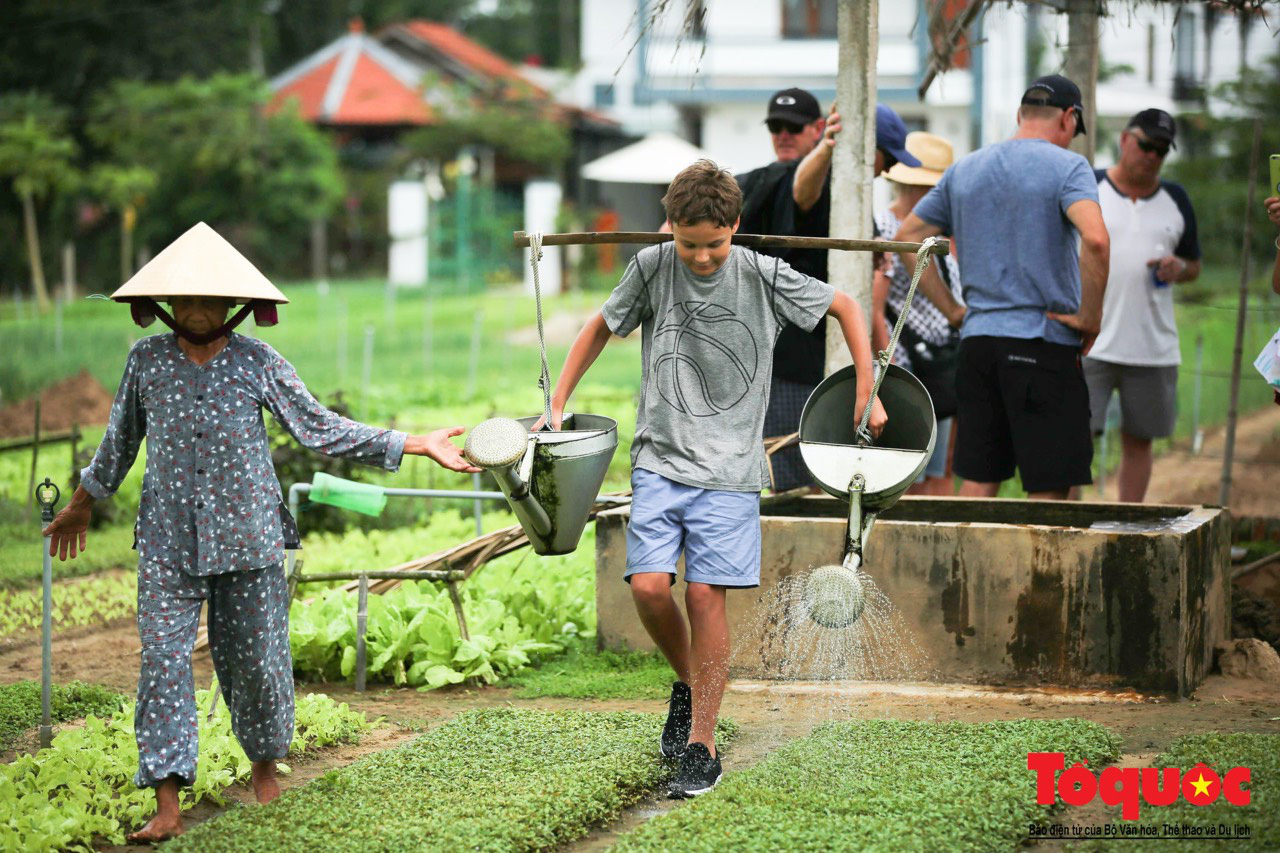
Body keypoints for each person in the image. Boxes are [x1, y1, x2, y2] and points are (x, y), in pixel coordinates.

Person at [41, 223, 480, 843]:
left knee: (255, 661)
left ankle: (265, 769)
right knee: (163, 663)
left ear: (233, 304)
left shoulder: (257, 361)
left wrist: (415, 444)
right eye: (184, 300)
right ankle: (167, 801)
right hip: (167, 539)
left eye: (208, 300)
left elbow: (318, 428)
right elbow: (120, 442)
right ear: (165, 305)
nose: (195, 312)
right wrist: (84, 501)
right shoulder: (146, 361)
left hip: (248, 536)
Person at [541, 160, 885, 798]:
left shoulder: (760, 272)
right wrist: (559, 399)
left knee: (705, 597)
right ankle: (691, 683)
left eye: (714, 244)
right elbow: (599, 326)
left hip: (729, 471)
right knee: (647, 589)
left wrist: (867, 388)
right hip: (660, 459)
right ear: (669, 227)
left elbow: (845, 306)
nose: (701, 258)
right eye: (688, 243)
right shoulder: (652, 266)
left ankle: (702, 742)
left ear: (736, 227)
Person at [894, 74, 1110, 500]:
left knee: (977, 476)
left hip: (977, 346)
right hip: (1042, 340)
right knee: (1049, 486)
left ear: (1020, 115)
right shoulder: (1069, 167)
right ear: (1069, 118)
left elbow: (907, 236)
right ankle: (1040, 570)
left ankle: (967, 569)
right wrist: (1090, 316)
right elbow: (1097, 240)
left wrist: (953, 310)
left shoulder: (966, 169)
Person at [748, 99, 920, 491]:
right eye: (886, 157)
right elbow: (802, 194)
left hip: (828, 356)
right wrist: (828, 147)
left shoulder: (852, 196)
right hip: (788, 358)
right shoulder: (798, 178)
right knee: (791, 479)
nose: (889, 169)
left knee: (829, 475)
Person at [1083, 110, 1201, 502]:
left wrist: (1178, 267)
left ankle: (1126, 527)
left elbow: (1194, 265)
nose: (1152, 156)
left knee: (1140, 442)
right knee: (1074, 442)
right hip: (1088, 343)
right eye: (1146, 145)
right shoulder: (1088, 186)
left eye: (1162, 150)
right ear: (1124, 140)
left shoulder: (1177, 199)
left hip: (1152, 347)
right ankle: (1065, 530)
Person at [872, 131, 965, 496]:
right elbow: (875, 309)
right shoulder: (883, 232)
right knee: (907, 474)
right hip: (906, 365)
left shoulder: (939, 233)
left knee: (939, 469)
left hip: (939, 365)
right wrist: (889, 366)